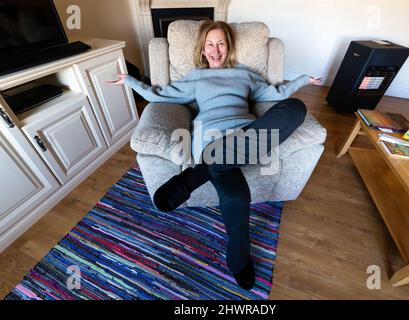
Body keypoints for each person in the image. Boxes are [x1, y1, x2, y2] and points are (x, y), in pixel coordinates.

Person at [108, 20, 321, 290]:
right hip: (212, 139)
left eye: (221, 43)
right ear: (203, 48)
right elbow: (160, 95)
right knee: (236, 195)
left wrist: (303, 80)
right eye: (210, 44)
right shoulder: (196, 76)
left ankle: (194, 177)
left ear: (228, 46)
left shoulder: (244, 74)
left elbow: (274, 92)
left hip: (247, 138)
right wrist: (130, 81)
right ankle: (239, 261)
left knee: (294, 108)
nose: (216, 49)